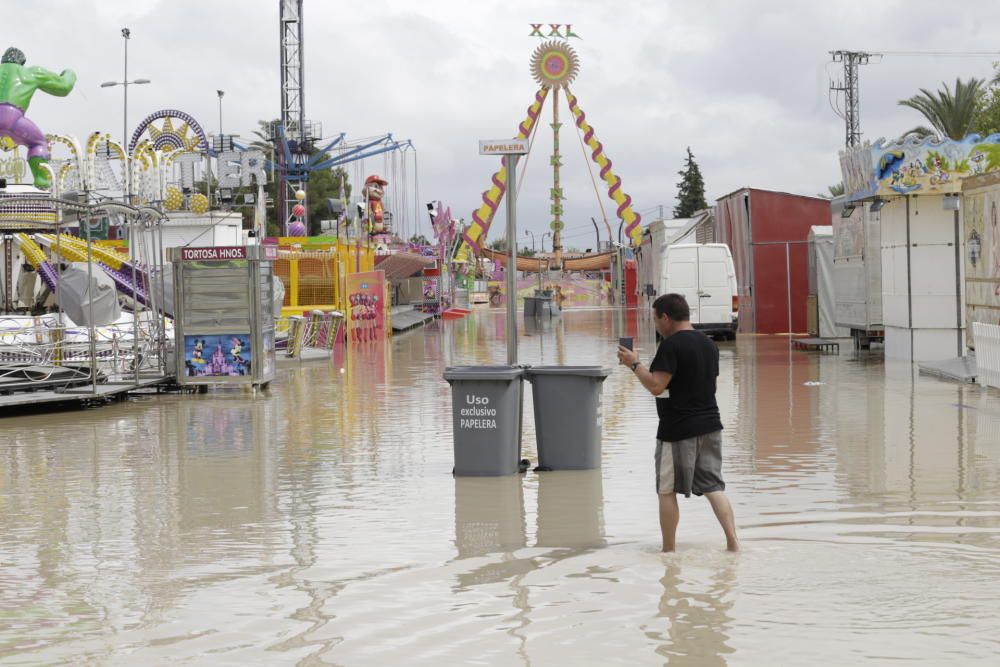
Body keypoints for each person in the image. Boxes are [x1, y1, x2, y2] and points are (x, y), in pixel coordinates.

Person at [618, 293, 740, 553]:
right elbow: (711, 386)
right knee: (713, 486)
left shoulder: (671, 345)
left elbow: (655, 385)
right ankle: (733, 543)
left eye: (655, 319)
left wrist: (634, 363)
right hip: (710, 424)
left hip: (677, 429)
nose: (656, 325)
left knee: (666, 489)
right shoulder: (709, 345)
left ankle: (668, 551)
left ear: (666, 317)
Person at [0, 47, 76, 189]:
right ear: (22, 62)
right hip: (13, 118)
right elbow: (64, 87)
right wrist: (69, 73)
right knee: (38, 143)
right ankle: (41, 179)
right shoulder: (30, 72)